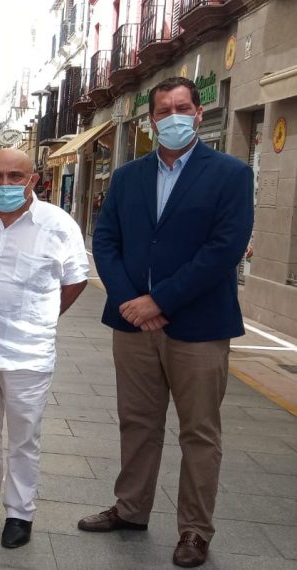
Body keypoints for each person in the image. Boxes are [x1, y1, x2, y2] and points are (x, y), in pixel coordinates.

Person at [80, 76, 253, 568]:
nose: (173, 117)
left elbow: (224, 248)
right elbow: (105, 241)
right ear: (151, 121)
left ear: (199, 113)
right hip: (133, 326)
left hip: (198, 327)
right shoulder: (126, 177)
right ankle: (131, 508)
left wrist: (159, 301)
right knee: (137, 422)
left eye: (182, 108)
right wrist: (129, 300)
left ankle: (195, 531)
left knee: (200, 432)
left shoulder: (231, 174)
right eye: (163, 111)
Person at [0, 149, 89, 548]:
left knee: (25, 436)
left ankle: (20, 512)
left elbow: (76, 279)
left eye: (14, 176)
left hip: (27, 350)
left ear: (33, 180)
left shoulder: (57, 224)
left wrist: (40, 318)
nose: (4, 184)